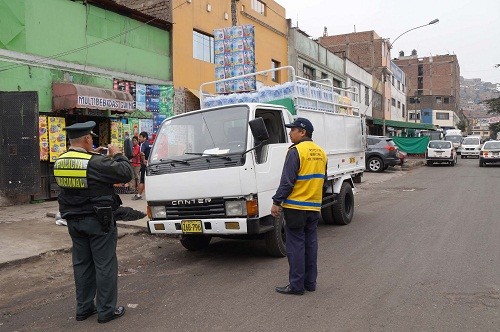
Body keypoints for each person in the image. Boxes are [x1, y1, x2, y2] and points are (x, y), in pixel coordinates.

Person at [54, 121, 133, 323]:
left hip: (73, 221)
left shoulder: (61, 161)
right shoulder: (95, 163)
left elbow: (83, 173)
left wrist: (94, 154)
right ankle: (106, 311)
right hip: (98, 221)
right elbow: (125, 173)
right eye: (91, 138)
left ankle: (84, 308)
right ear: (88, 139)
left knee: (82, 265)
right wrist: (117, 154)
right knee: (105, 264)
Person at [271, 117, 327, 296]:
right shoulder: (321, 152)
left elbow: (287, 182)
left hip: (295, 207)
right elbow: (323, 182)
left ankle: (296, 286)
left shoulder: (296, 151)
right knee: (311, 244)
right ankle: (310, 283)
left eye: (293, 130)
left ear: (303, 132)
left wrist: (276, 202)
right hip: (313, 207)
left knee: (295, 246)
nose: (289, 133)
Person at [132, 131, 151, 200]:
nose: (139, 138)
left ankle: (139, 195)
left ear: (145, 138)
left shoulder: (143, 144)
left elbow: (142, 153)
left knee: (142, 180)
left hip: (144, 165)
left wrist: (143, 161)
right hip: (150, 164)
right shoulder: (149, 144)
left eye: (140, 137)